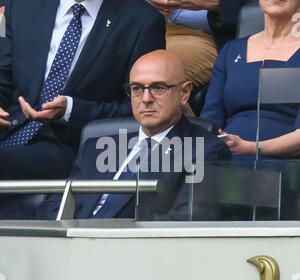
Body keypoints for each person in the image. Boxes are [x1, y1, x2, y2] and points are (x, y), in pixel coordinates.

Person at [39, 50, 230, 221]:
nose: (146, 99)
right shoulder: (97, 147)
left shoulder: (205, 150)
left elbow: (188, 218)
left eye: (158, 88)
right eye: (137, 89)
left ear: (185, 93)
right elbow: (58, 200)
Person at [0, 0, 166, 180]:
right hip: (10, 129)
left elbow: (141, 108)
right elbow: (3, 75)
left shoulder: (142, 20)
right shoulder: (21, 6)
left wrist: (71, 110)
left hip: (72, 145)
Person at [201, 0, 300, 161]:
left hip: (285, 168)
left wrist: (251, 148)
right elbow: (209, 121)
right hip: (224, 163)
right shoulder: (231, 51)